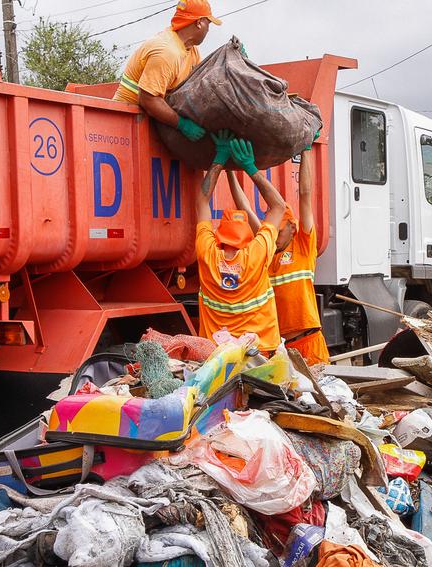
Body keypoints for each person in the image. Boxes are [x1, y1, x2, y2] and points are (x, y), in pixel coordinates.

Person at [226, 132, 330, 364]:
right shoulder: (266, 248)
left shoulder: (304, 244)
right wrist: (229, 169)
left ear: (292, 228)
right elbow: (244, 205)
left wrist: (305, 150)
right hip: (280, 348)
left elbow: (305, 193)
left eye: (279, 230)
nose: (273, 234)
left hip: (309, 342)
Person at [194, 131, 287, 353]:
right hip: (259, 354)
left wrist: (219, 158)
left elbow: (202, 200)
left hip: (217, 358)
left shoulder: (207, 252)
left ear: (219, 237)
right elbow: (278, 207)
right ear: (247, 238)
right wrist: (250, 167)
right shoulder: (256, 254)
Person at [113, 0, 221, 141]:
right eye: (209, 23)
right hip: (123, 125)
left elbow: (200, 80)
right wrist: (181, 124)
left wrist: (233, 59)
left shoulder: (190, 50)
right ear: (199, 22)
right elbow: (148, 100)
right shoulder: (166, 52)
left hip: (145, 123)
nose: (209, 29)